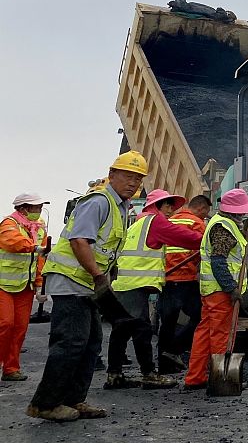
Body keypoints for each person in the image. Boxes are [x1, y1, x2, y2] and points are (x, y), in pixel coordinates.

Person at [28, 151, 148, 422]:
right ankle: (45, 403)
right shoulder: (99, 201)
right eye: (128, 176)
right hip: (71, 281)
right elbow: (79, 241)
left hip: (86, 284)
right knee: (70, 342)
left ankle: (73, 400)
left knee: (91, 343)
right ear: (112, 174)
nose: (133, 183)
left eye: (138, 178)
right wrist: (98, 276)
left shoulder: (120, 206)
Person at [106, 189, 202, 388]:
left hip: (125, 284)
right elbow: (185, 238)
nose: (171, 210)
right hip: (136, 284)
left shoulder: (137, 224)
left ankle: (114, 375)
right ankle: (149, 374)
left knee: (122, 329)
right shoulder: (155, 222)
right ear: (156, 206)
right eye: (168, 206)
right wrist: (209, 239)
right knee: (142, 329)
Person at [184, 188, 248, 390]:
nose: (244, 214)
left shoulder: (222, 223)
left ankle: (195, 378)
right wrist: (231, 288)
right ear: (235, 211)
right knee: (221, 335)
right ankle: (220, 379)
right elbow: (219, 261)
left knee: (203, 333)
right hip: (220, 292)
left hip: (210, 290)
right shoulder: (224, 228)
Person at [0, 194, 52, 381]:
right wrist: (35, 248)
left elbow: (39, 259)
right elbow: (11, 242)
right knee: (5, 325)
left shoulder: (38, 228)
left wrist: (39, 285)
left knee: (19, 328)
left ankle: (11, 369)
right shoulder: (9, 224)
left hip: (25, 287)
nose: (39, 211)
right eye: (36, 207)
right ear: (24, 209)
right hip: (3, 285)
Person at [158, 194, 211, 372]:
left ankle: (164, 365)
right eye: (206, 213)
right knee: (201, 317)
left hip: (166, 278)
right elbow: (206, 249)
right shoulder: (197, 223)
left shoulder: (170, 221)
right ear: (202, 209)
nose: (205, 216)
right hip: (185, 278)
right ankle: (174, 349)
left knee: (167, 322)